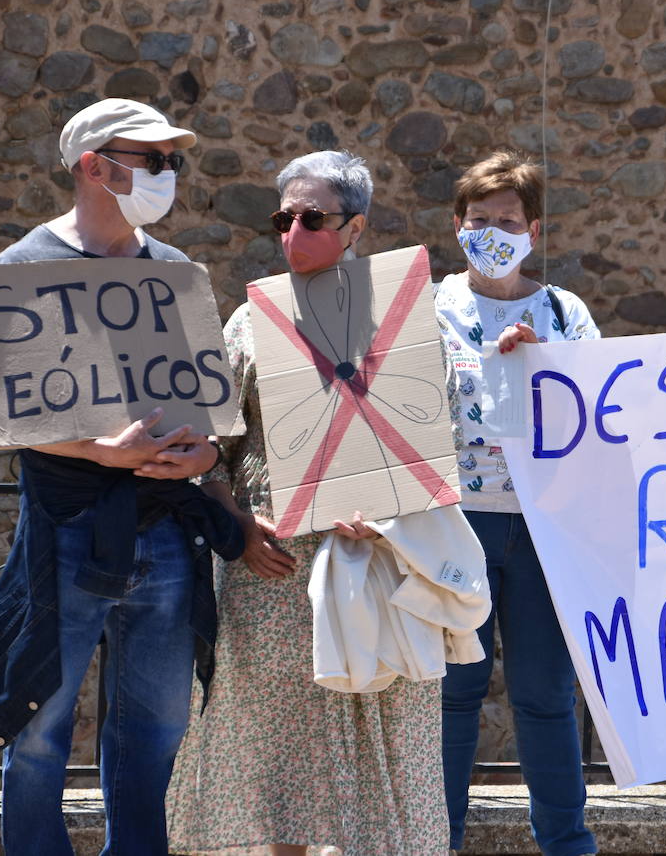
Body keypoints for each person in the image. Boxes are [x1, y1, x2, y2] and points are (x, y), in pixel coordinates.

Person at [165, 151, 462, 855]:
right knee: (278, 759)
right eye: (283, 217)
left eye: (312, 218)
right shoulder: (248, 322)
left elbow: (429, 442)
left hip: (378, 566)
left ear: (355, 227)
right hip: (271, 570)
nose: (293, 231)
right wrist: (237, 523)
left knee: (379, 741)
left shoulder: (401, 322)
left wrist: (385, 517)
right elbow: (212, 447)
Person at [0, 98, 242, 855]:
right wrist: (97, 453)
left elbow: (209, 419)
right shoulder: (20, 270)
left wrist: (203, 457)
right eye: (154, 158)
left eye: (173, 160)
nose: (169, 173)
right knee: (40, 729)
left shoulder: (177, 273)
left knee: (158, 729)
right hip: (67, 534)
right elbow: (5, 418)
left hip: (167, 534)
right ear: (92, 166)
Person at [435, 150, 600, 856]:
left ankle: (566, 844)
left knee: (544, 697)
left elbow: (599, 414)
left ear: (533, 227)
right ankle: (433, 840)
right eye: (479, 220)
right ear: (457, 225)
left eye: (506, 220)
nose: (492, 231)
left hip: (542, 531)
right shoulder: (428, 306)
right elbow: (399, 404)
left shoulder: (565, 312)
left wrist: (545, 368)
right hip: (456, 525)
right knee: (451, 699)